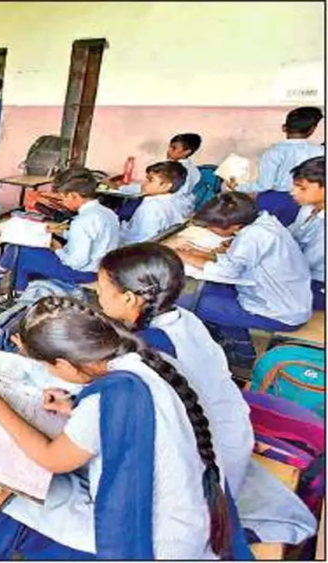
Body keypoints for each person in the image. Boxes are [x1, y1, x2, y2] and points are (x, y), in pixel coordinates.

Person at [0, 296, 250, 559]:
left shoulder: (105, 402)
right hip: (184, 515)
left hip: (147, 538)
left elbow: (52, 459)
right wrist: (73, 405)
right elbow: (120, 421)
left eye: (44, 366)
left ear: (64, 363)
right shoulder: (144, 361)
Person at [96, 243, 253, 493]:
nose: (97, 293)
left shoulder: (150, 347)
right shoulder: (183, 318)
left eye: (101, 287)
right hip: (234, 439)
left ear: (128, 297)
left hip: (208, 471)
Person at [174, 192, 312, 366]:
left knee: (194, 304)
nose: (208, 229)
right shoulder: (264, 222)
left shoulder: (253, 237)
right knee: (208, 290)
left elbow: (227, 271)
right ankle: (229, 339)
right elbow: (236, 261)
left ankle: (241, 356)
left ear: (236, 226)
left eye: (211, 227)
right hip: (288, 300)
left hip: (280, 313)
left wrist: (184, 257)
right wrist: (197, 253)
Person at [0, 169, 120, 296]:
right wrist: (64, 233)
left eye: (63, 198)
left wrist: (57, 248)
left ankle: (0, 283)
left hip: (81, 272)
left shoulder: (83, 221)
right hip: (101, 268)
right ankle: (15, 292)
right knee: (22, 252)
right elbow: (90, 238)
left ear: (74, 196)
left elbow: (76, 262)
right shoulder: (107, 213)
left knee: (17, 250)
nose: (62, 202)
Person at [229, 106, 324, 226]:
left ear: (284, 128)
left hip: (274, 201)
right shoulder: (320, 151)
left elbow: (264, 185)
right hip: (308, 201)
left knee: (266, 235)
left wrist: (238, 187)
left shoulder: (273, 152)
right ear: (312, 129)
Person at [286, 156, 325, 311]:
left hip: (317, 284)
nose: (292, 192)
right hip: (300, 272)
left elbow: (303, 265)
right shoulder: (308, 208)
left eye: (302, 188)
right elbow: (288, 235)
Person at [118, 161, 189, 245]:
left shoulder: (150, 208)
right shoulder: (174, 201)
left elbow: (139, 240)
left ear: (166, 186)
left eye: (150, 180)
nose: (144, 183)